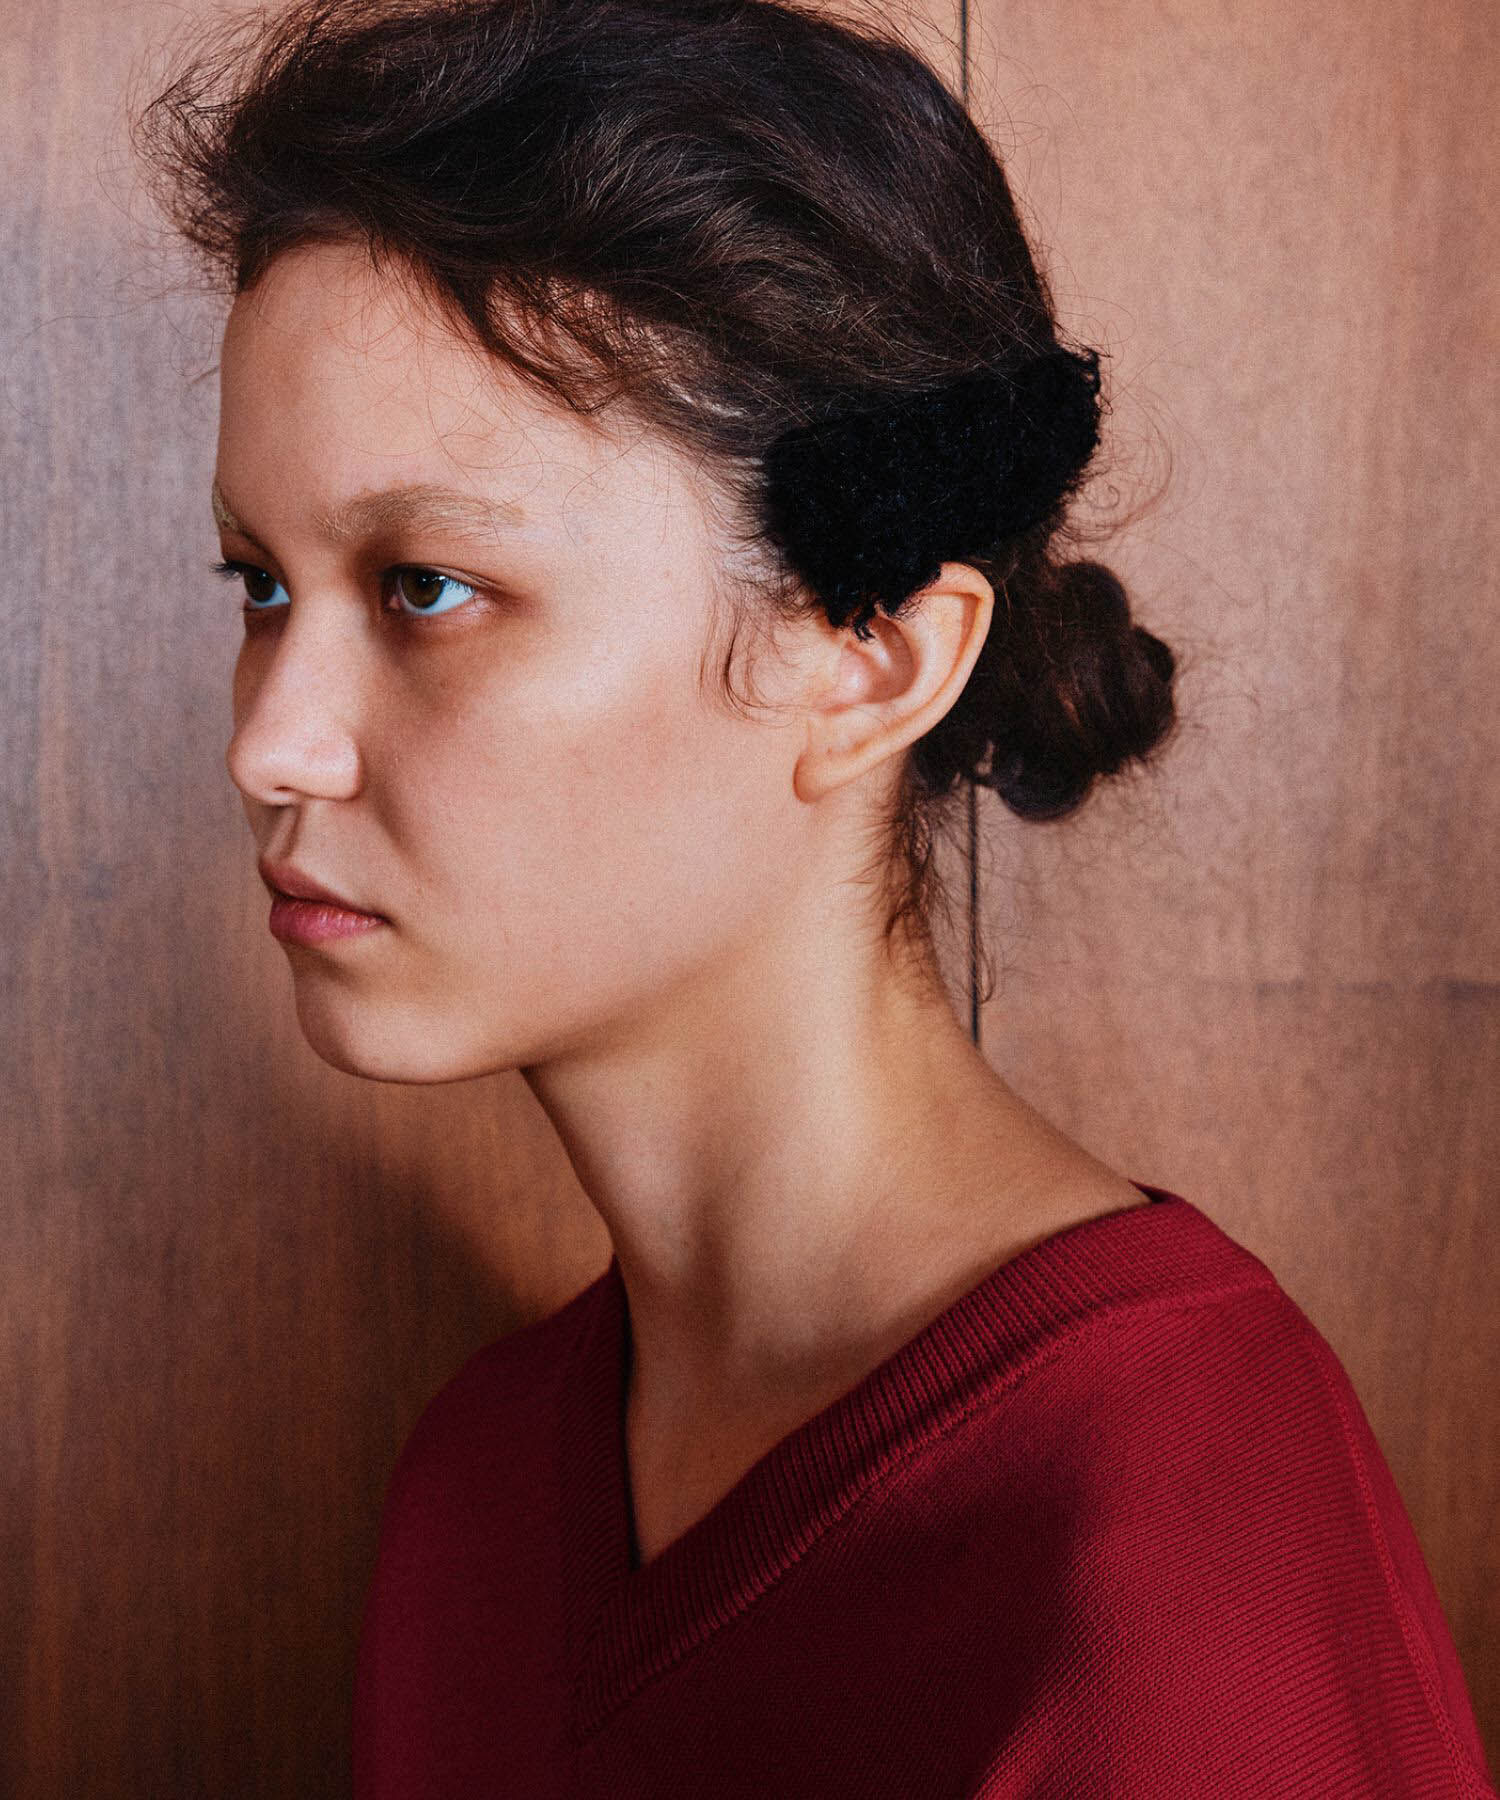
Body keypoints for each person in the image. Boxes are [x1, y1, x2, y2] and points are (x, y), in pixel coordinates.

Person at [136, 0, 1496, 1793]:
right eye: (258, 583)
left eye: (427, 588)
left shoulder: (1170, 1571)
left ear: (870, 660)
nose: (271, 744)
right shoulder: (479, 1490)